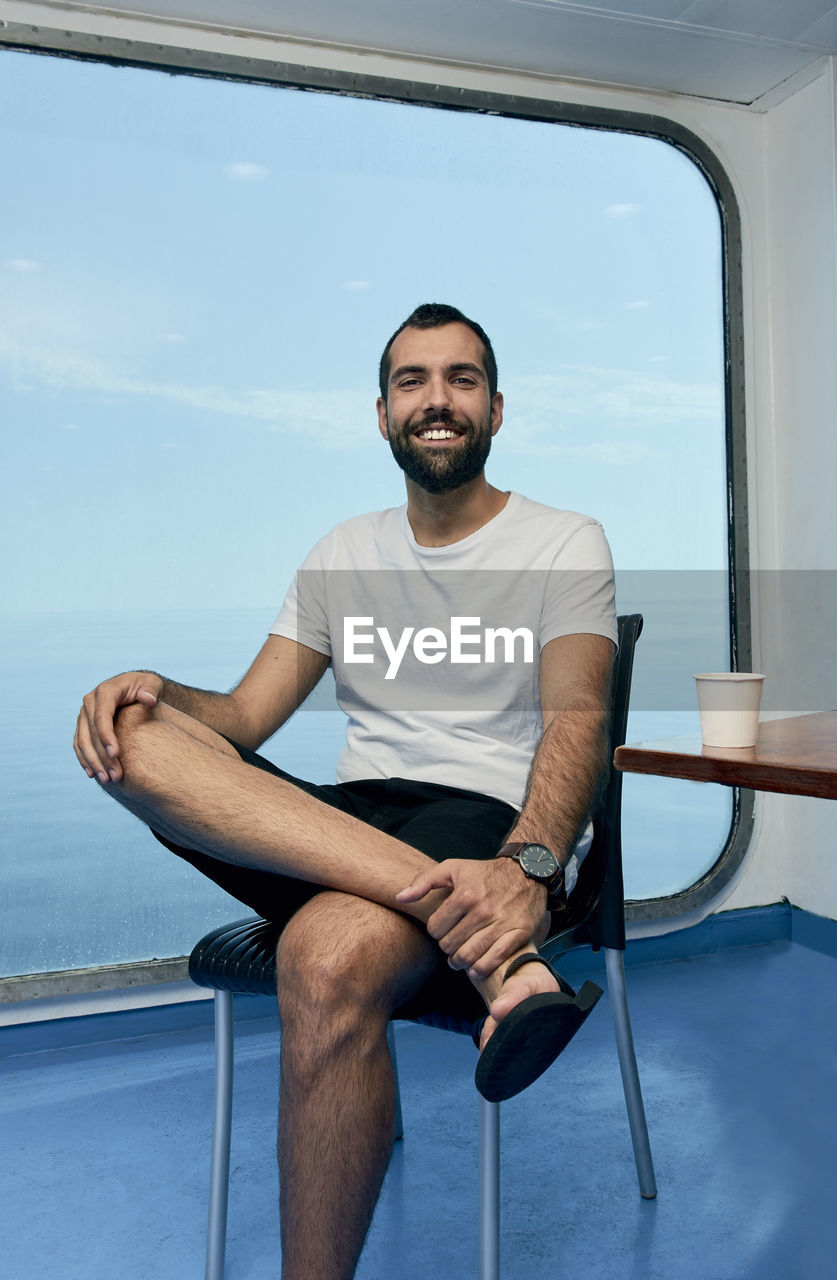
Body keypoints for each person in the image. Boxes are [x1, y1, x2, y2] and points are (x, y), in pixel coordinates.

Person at [73, 303, 617, 1280]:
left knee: (324, 955)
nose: (436, 399)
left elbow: (578, 714)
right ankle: (498, 960)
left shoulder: (562, 540)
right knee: (140, 734)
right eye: (412, 380)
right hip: (348, 820)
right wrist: (158, 689)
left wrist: (526, 866)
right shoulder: (339, 552)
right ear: (381, 412)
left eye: (459, 379)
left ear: (495, 407)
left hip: (481, 818)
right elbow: (238, 717)